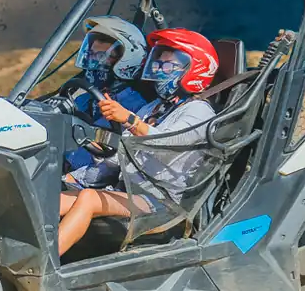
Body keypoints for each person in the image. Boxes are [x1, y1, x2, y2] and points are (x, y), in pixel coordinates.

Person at [56, 27, 222, 256]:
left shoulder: (199, 112)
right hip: (129, 192)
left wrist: (129, 119)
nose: (159, 70)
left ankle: (46, 264)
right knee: (54, 199)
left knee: (89, 198)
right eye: (157, 64)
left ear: (194, 70)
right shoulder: (153, 107)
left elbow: (164, 146)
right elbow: (123, 152)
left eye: (167, 65)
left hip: (162, 201)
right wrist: (94, 147)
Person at [59, 16, 160, 172]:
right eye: (91, 54)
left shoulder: (134, 105)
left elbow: (103, 154)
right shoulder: (87, 97)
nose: (92, 62)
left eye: (100, 56)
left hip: (83, 177)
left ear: (126, 61)